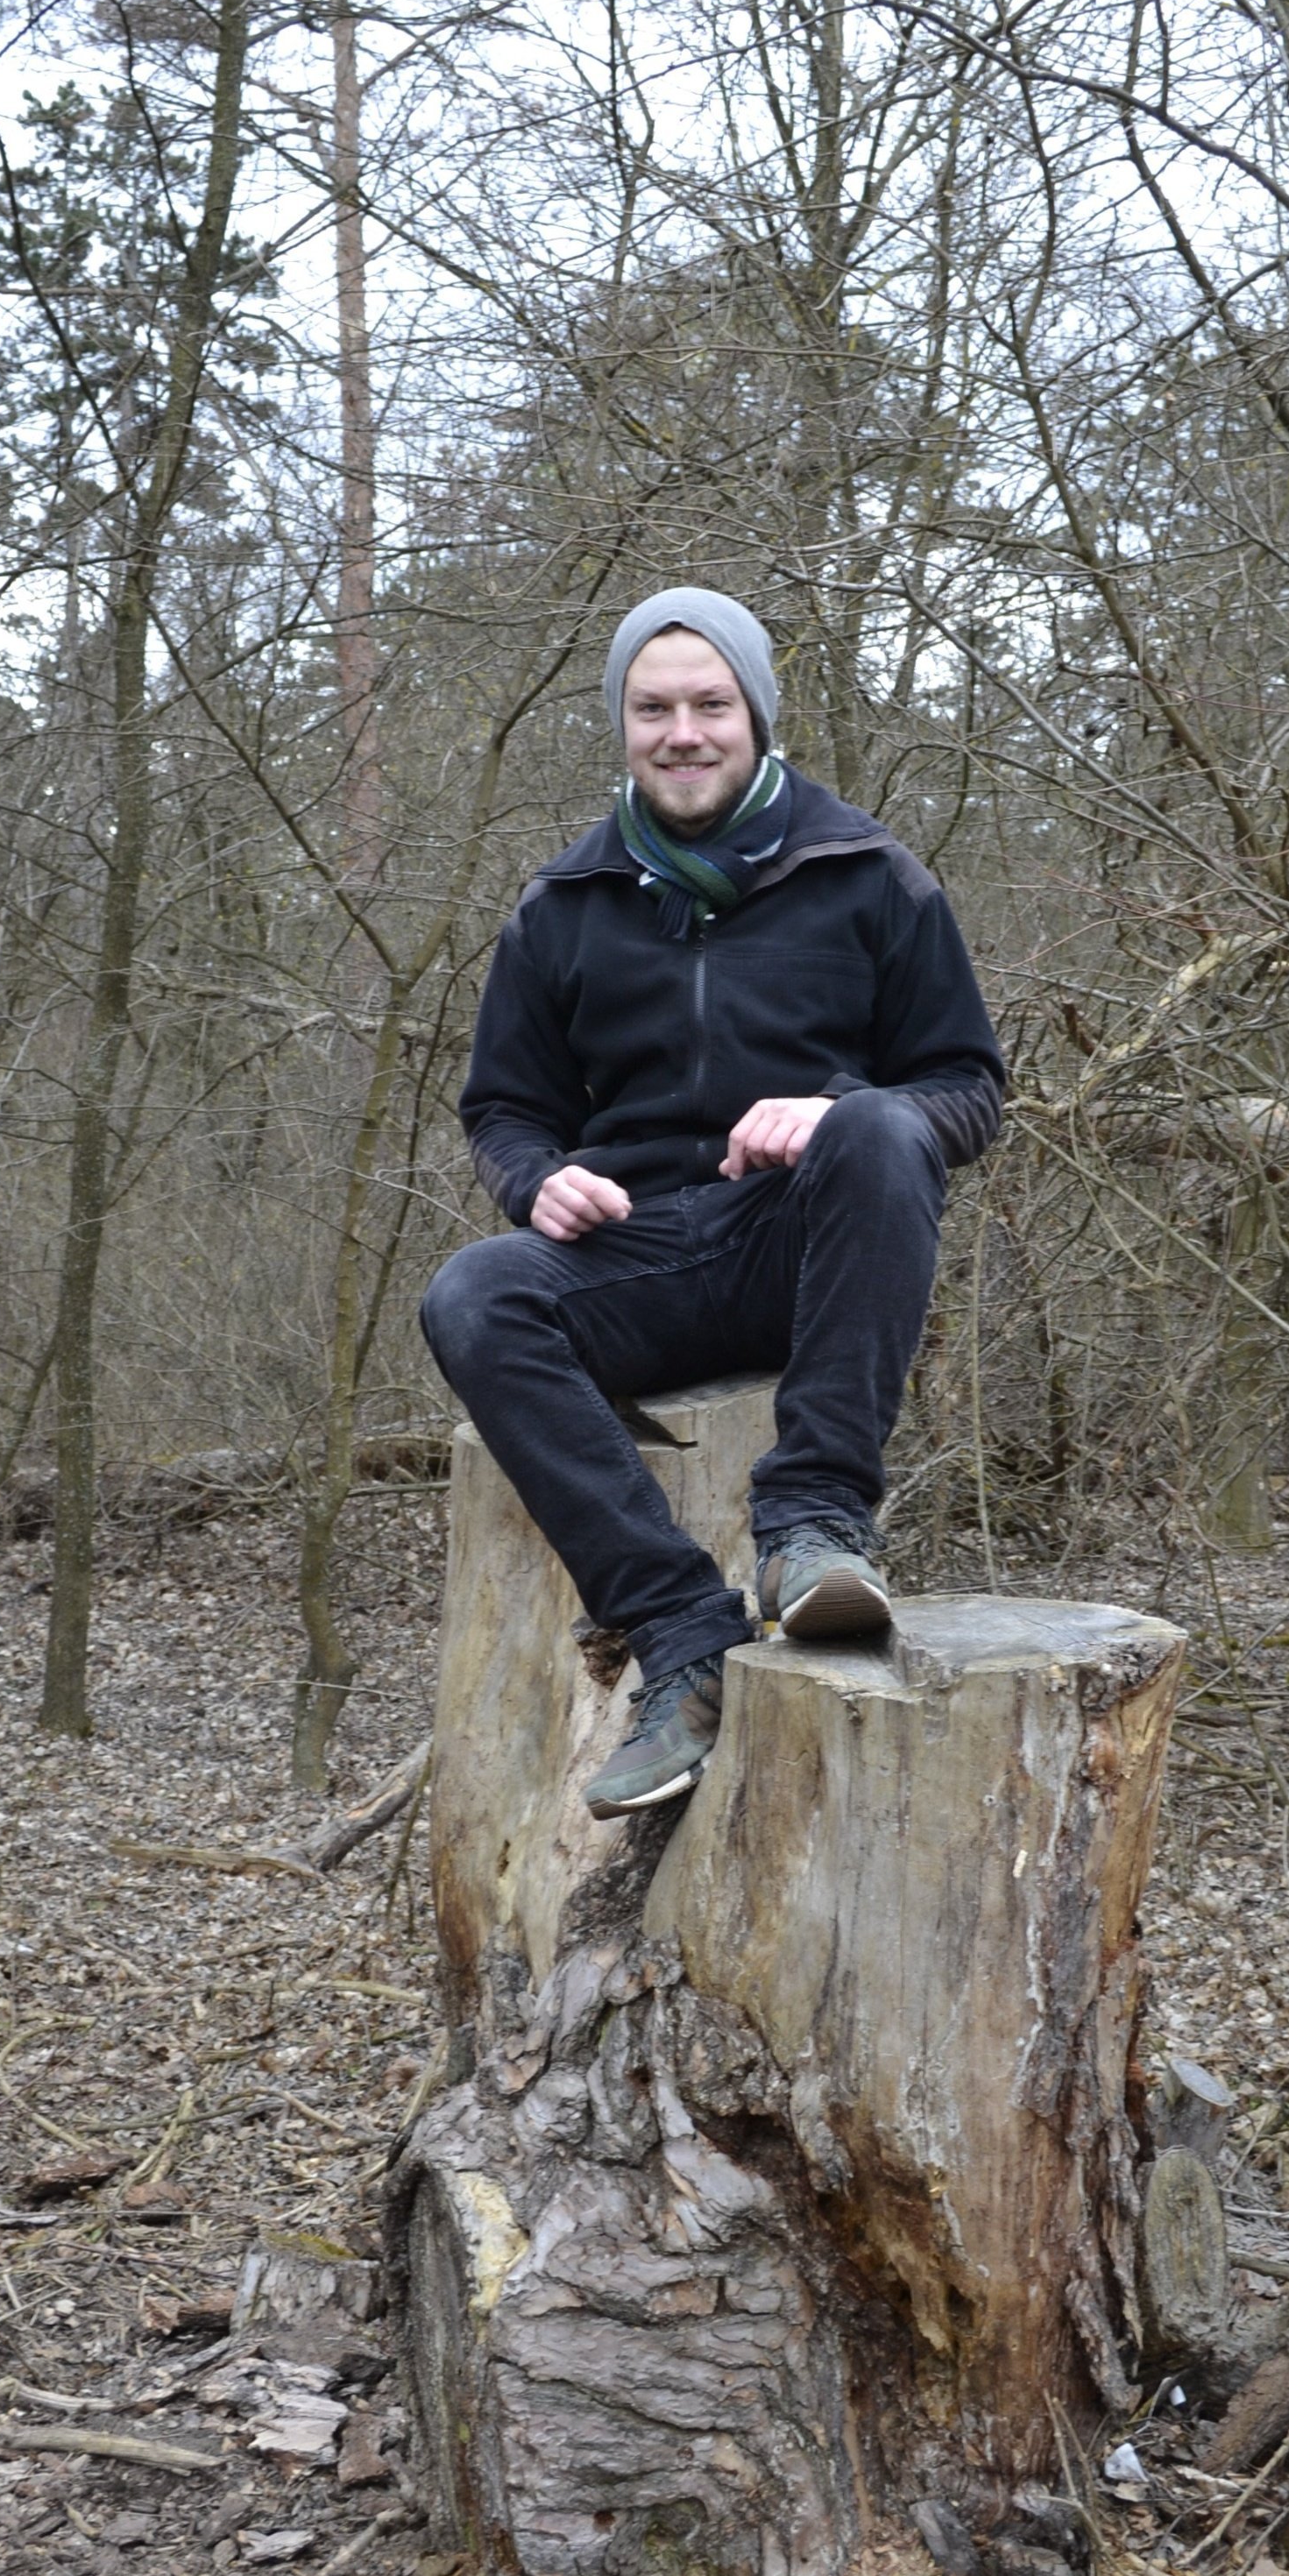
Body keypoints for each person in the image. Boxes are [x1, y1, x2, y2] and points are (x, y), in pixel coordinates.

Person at [420, 587, 1004, 1815]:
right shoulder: (562, 906)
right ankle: (679, 1635)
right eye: (653, 708)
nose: (682, 732)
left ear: (753, 715)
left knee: (883, 1129)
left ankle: (813, 1531)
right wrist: (539, 1180)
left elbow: (965, 1093)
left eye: (709, 704)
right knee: (473, 1293)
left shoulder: (867, 875)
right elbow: (503, 1109)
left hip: (803, 1250)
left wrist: (840, 1107)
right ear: (622, 724)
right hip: (637, 1260)